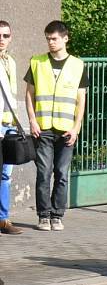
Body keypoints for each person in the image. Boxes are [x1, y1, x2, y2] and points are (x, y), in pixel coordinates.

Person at [25, 21, 88, 231]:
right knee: (44, 173)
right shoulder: (37, 62)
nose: (50, 42)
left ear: (65, 38)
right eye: (48, 39)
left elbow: (81, 100)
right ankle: (43, 215)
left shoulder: (78, 65)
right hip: (43, 128)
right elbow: (29, 94)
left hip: (66, 129)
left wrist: (76, 127)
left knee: (61, 173)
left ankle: (57, 215)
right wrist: (32, 120)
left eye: (54, 38)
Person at [0, 21, 22, 234]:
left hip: (9, 126)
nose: (2, 39)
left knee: (6, 174)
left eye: (5, 35)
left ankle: (3, 219)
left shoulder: (11, 62)